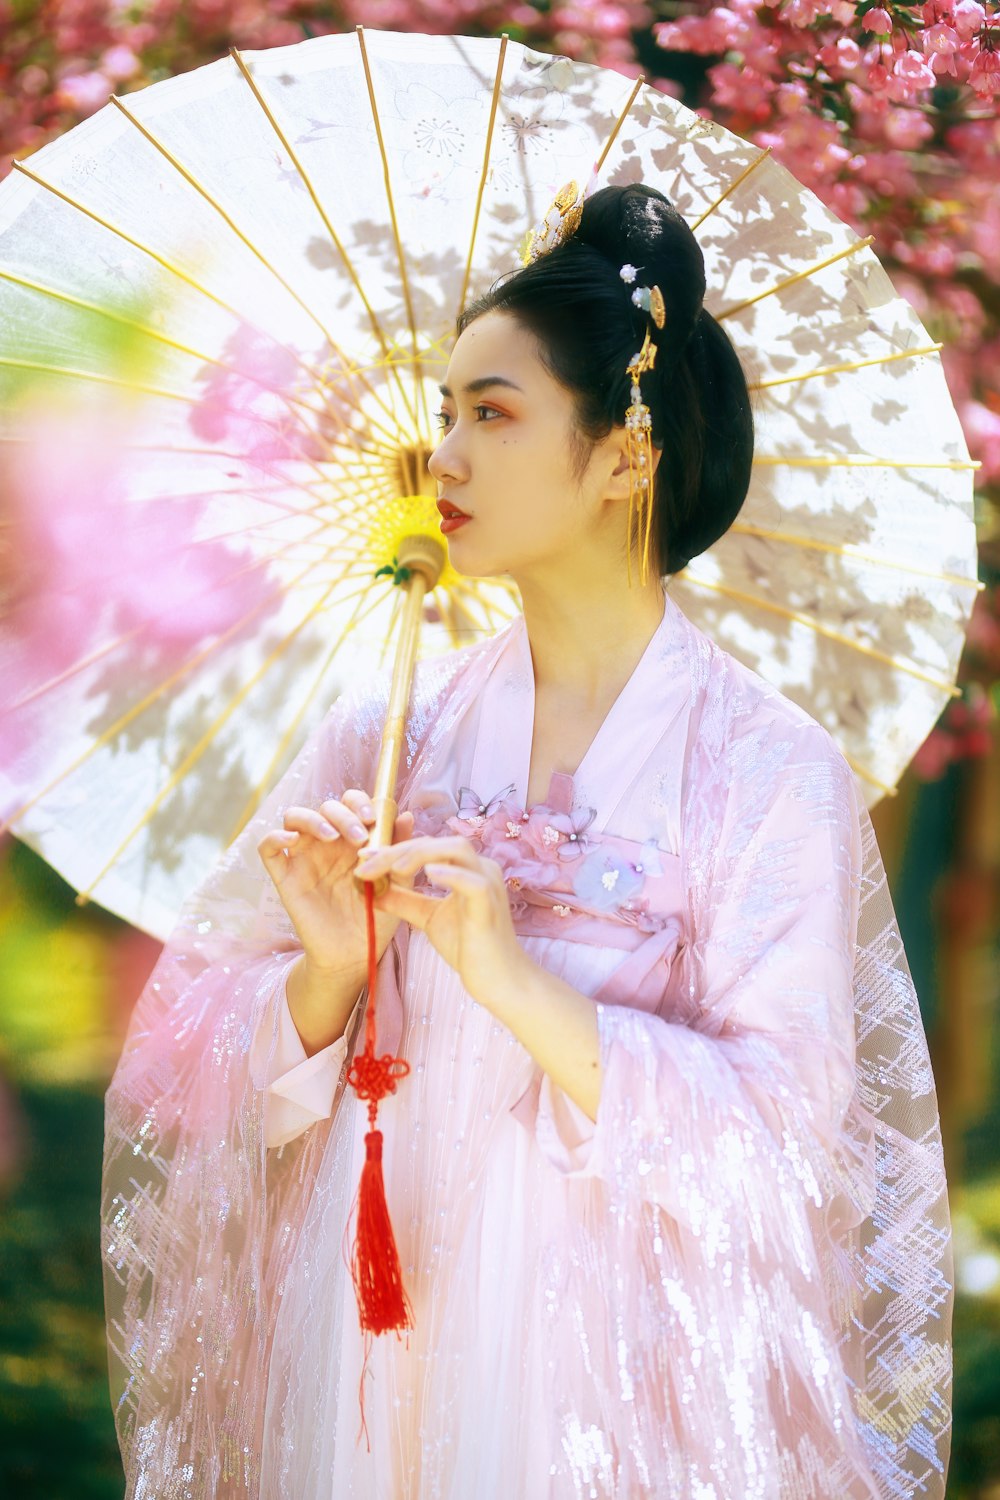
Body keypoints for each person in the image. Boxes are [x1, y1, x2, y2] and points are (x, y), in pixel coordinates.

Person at [101, 183, 953, 1499]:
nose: (441, 457)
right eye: (446, 413)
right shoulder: (388, 734)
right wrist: (324, 981)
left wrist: (509, 976)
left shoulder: (768, 769)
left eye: (492, 415)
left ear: (628, 452)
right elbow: (182, 1070)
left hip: (628, 1356)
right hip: (381, 1317)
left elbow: (789, 1144)